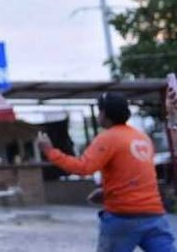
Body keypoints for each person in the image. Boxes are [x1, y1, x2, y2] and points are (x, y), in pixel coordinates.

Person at [39, 92, 176, 252]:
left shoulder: (108, 138)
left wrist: (49, 151)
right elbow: (138, 175)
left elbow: (83, 168)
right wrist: (107, 191)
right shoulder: (142, 138)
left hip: (123, 217)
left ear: (104, 114)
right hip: (154, 216)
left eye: (99, 111)